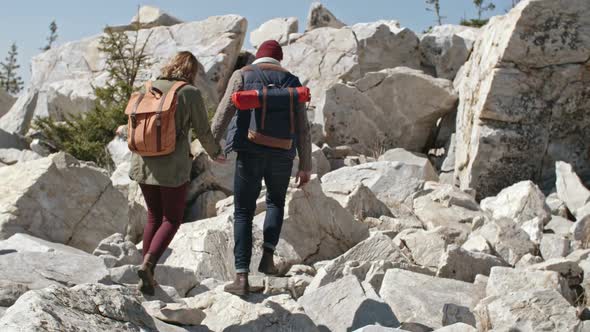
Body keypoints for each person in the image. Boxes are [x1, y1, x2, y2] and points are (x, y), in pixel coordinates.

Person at [211, 40, 313, 296]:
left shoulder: (243, 74)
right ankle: (267, 260)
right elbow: (303, 126)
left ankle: (241, 276)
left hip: (250, 149)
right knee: (275, 203)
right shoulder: (292, 81)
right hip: (283, 151)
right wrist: (306, 165)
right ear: (279, 58)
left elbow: (224, 110)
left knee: (243, 211)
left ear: (258, 56)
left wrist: (212, 146)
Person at [129, 51, 224, 295]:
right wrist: (215, 153)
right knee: (172, 218)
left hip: (143, 161)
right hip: (172, 165)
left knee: (153, 216)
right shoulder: (190, 93)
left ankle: (146, 274)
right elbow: (203, 130)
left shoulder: (148, 87)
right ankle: (149, 266)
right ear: (191, 72)